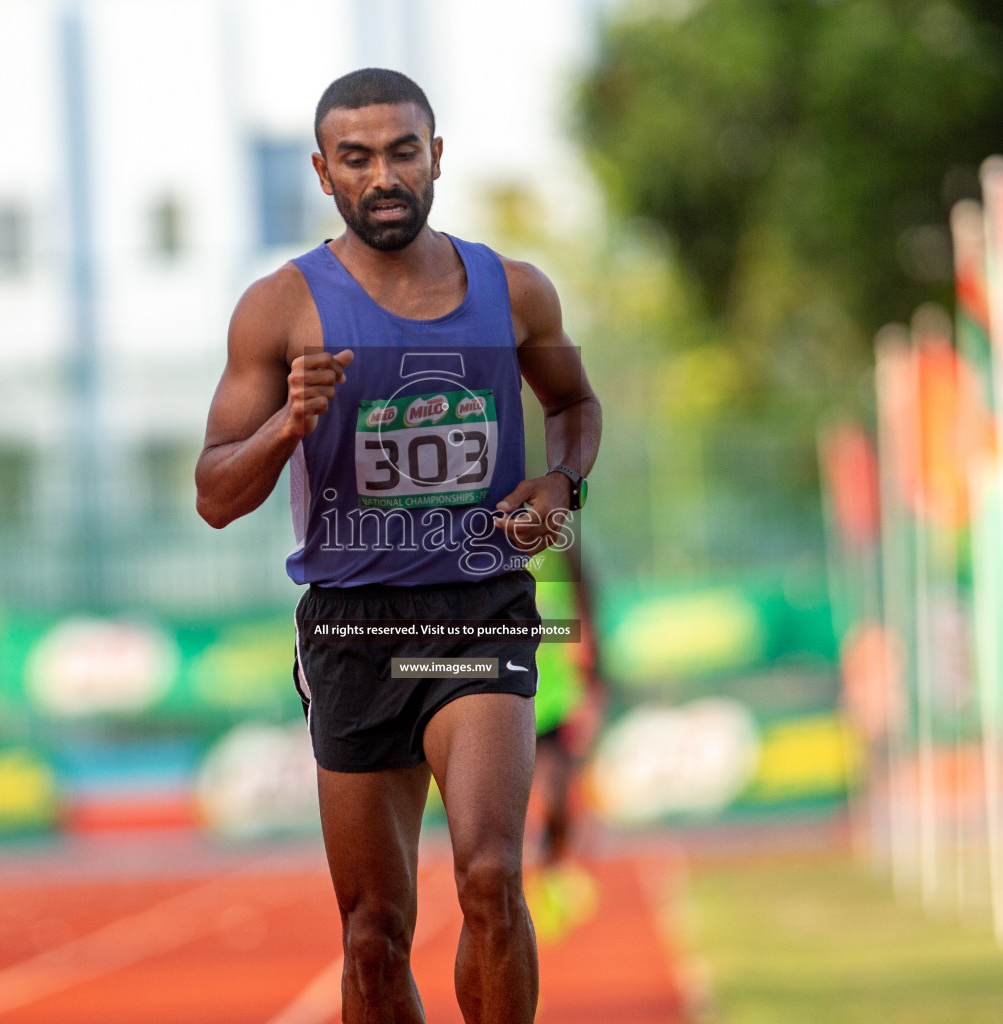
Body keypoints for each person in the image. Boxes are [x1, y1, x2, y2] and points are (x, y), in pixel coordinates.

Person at [195, 68, 601, 1024]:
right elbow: (215, 494)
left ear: (437, 157)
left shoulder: (514, 292)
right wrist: (285, 428)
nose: (384, 175)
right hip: (351, 628)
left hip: (480, 609)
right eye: (358, 157)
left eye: (403, 152)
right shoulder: (280, 309)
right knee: (373, 934)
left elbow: (575, 404)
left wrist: (563, 485)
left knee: (494, 876)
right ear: (324, 172)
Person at [524, 542, 607, 944]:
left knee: (559, 797)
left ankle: (552, 876)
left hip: (556, 700)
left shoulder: (559, 557)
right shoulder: (488, 556)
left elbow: (579, 625)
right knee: (520, 804)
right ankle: (527, 888)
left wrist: (586, 692)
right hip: (510, 696)